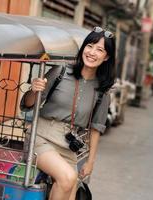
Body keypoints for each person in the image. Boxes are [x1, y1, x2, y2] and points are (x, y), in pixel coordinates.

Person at [20, 26, 116, 200]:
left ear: (106, 57)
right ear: (83, 48)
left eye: (99, 49)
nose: (92, 52)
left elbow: (96, 128)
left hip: (68, 148)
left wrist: (90, 162)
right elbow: (27, 105)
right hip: (40, 139)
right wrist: (34, 90)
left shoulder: (102, 91)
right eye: (90, 46)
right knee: (68, 178)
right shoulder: (61, 71)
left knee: (71, 190)